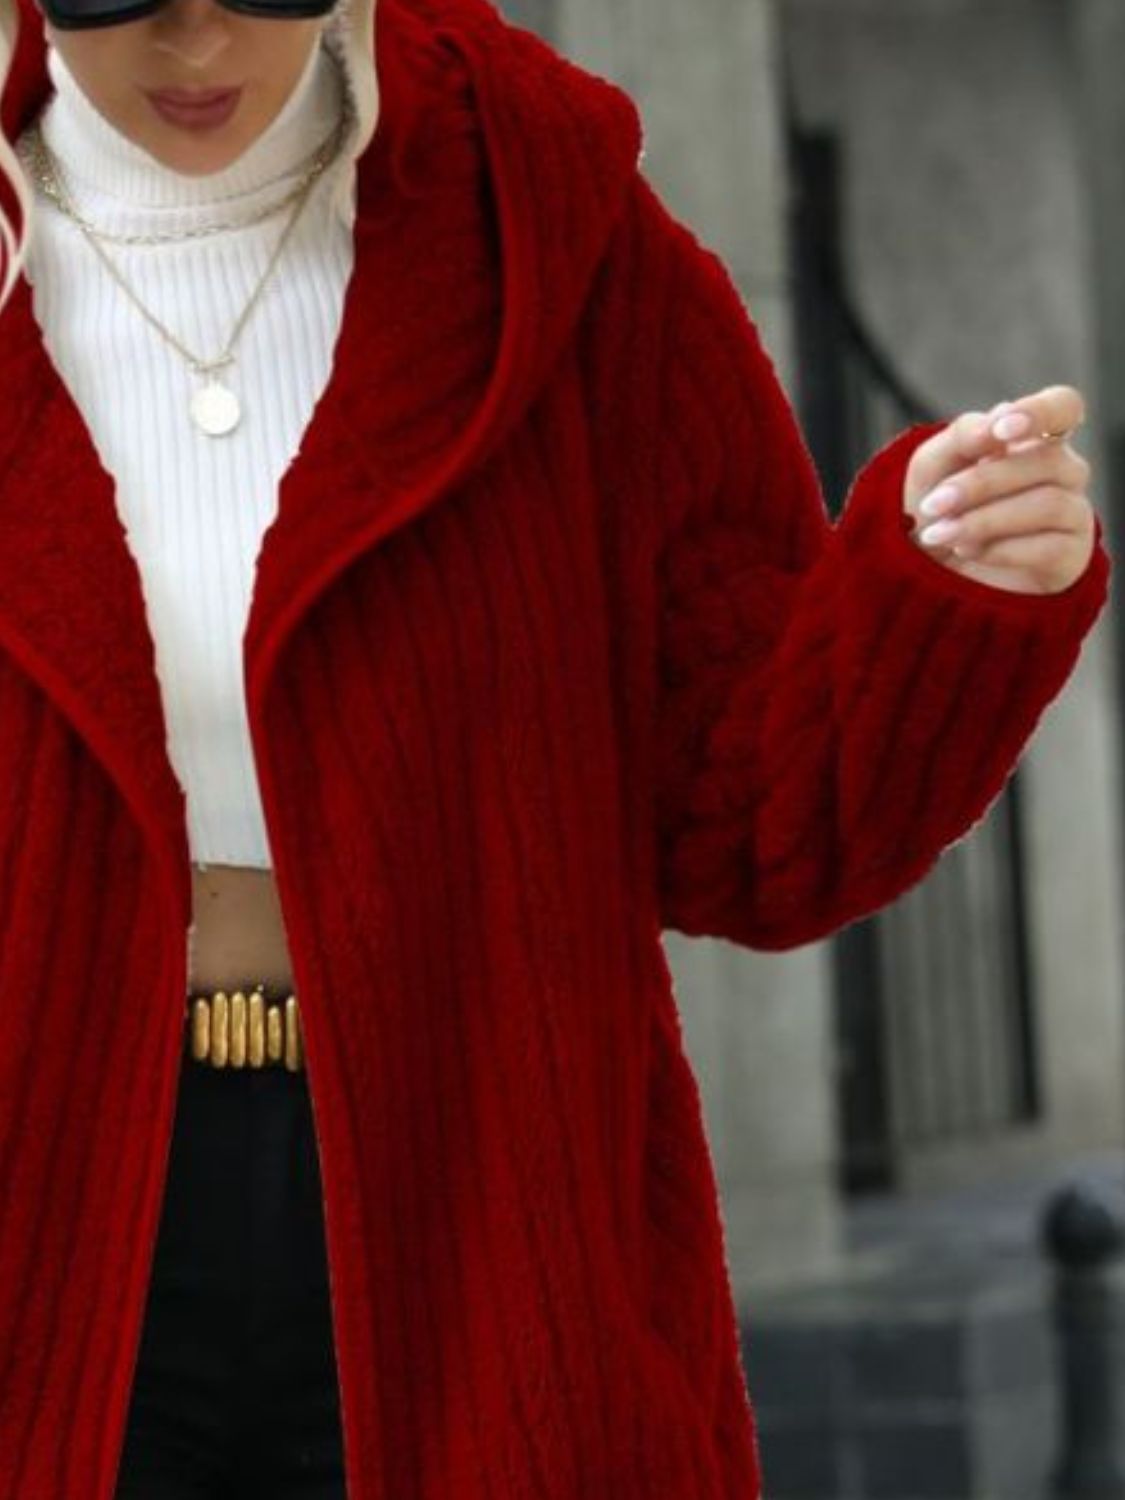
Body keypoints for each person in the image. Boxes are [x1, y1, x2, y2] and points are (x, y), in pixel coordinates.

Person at [0, 0, 1111, 1495]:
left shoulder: (551, 244)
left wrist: (939, 595)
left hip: (489, 1220)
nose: (196, 36)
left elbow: (752, 829)